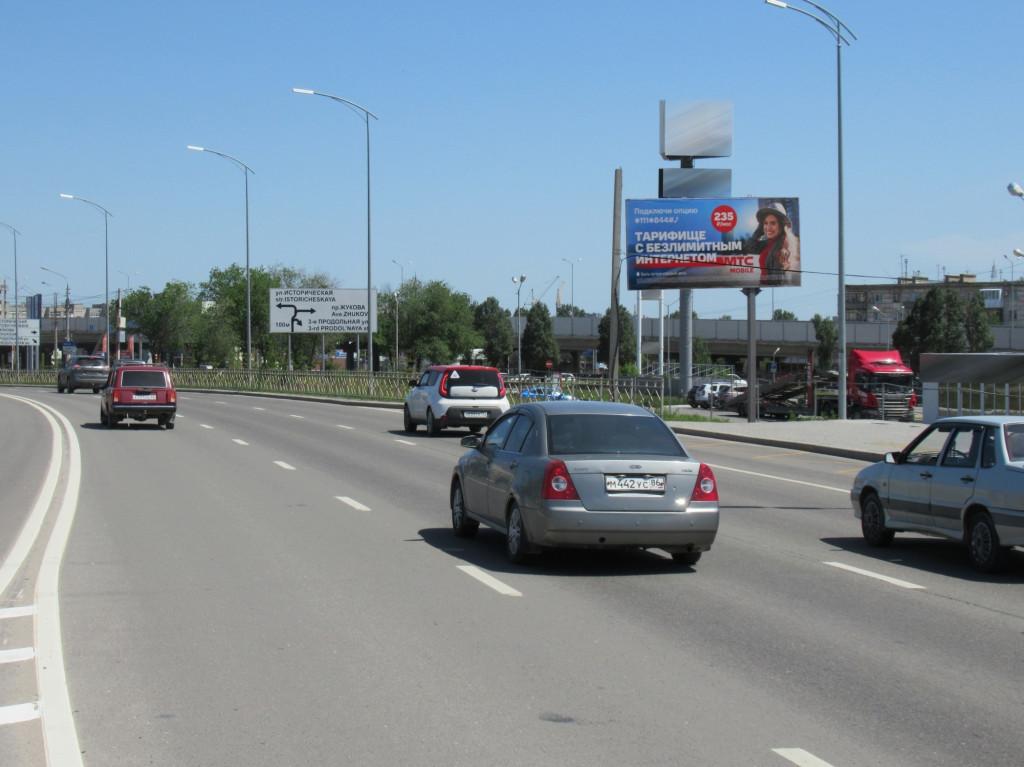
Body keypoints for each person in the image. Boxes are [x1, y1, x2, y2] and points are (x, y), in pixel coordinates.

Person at [745, 202, 800, 286]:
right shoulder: (769, 243)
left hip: (770, 292)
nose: (768, 227)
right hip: (764, 288)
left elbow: (778, 283)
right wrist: (762, 225)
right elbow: (751, 247)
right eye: (766, 223)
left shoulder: (782, 249)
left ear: (781, 225)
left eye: (773, 223)